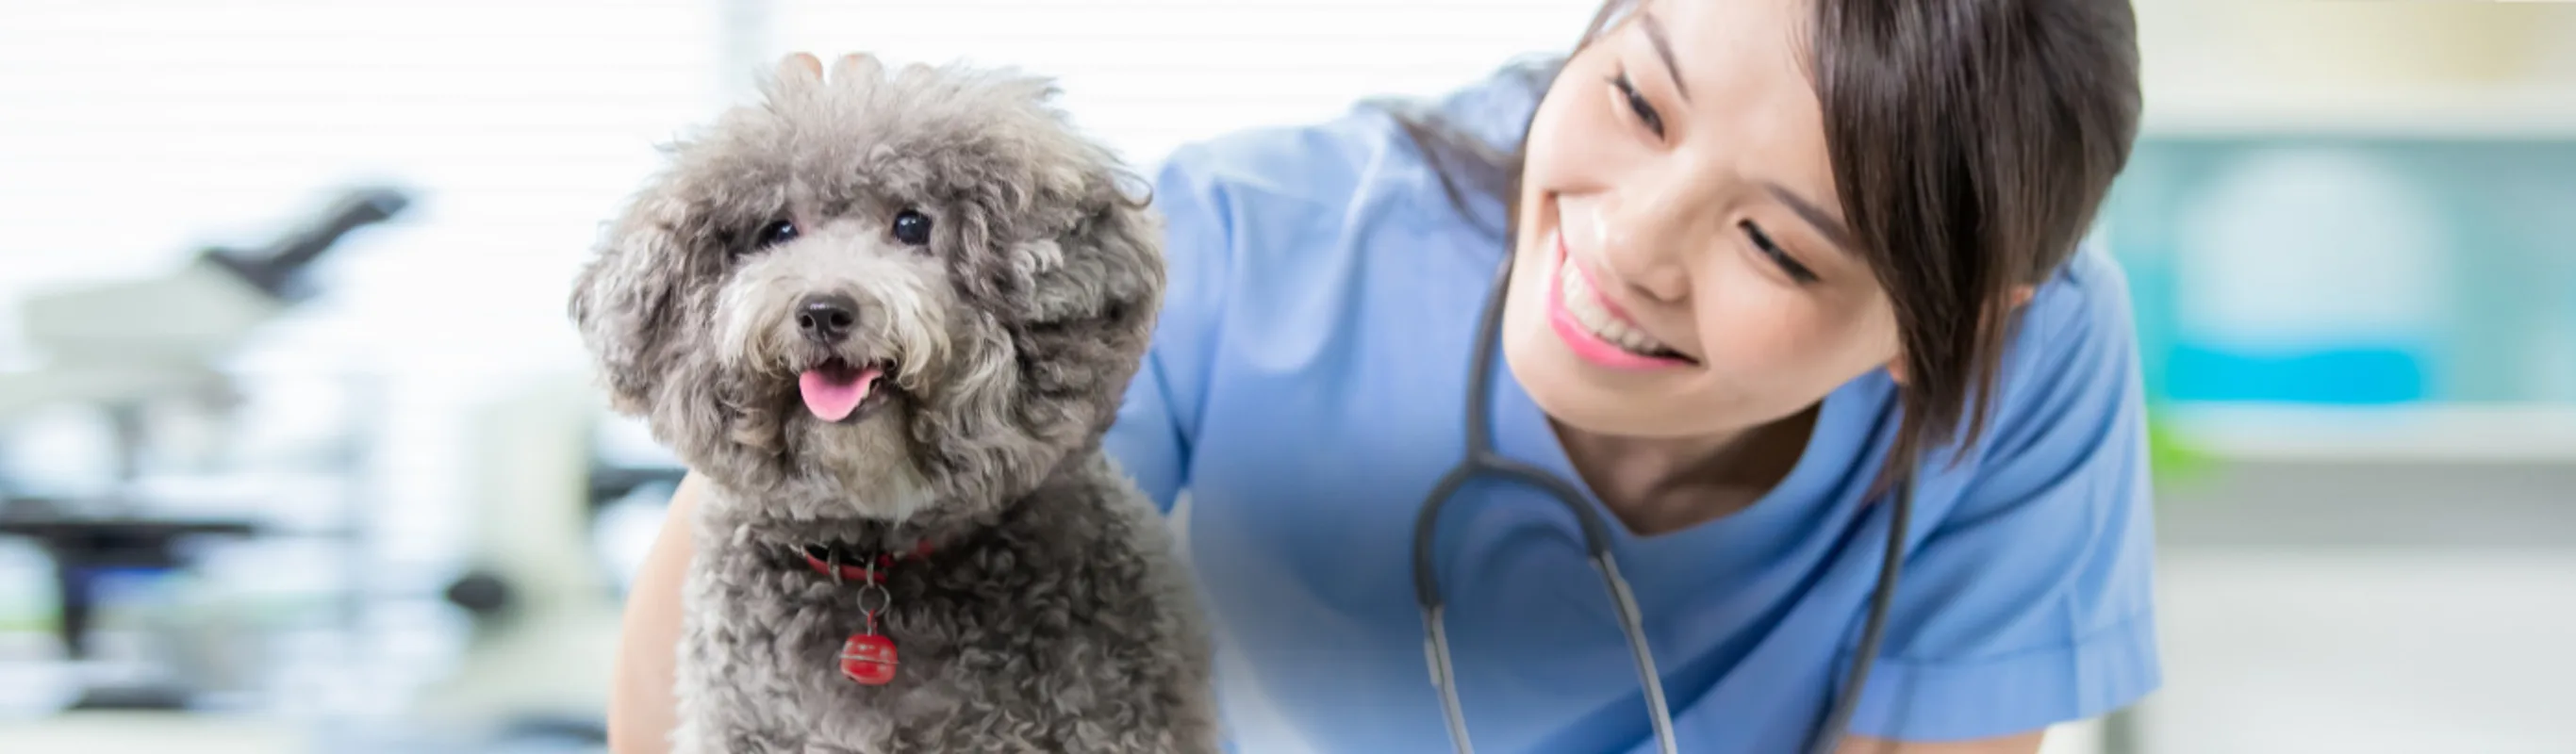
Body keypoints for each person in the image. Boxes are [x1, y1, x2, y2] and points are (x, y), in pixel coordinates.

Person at [609, 0, 2159, 750]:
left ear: (1959, 330)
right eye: (1634, 97)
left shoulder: (2040, 367)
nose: (1629, 244)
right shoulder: (1253, 246)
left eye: (1780, 245)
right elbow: (789, 589)